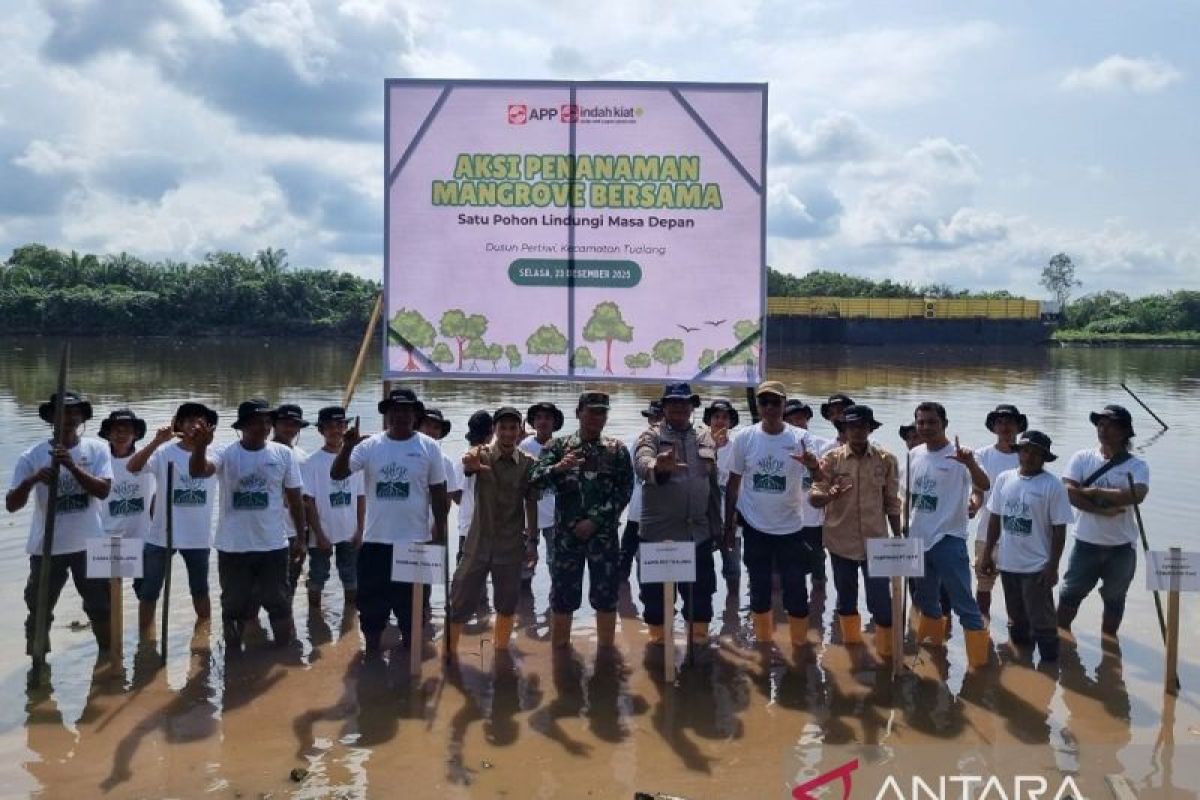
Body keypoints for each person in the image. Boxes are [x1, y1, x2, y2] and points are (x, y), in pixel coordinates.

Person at [331, 388, 449, 655]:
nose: (401, 415)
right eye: (395, 410)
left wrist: (439, 535)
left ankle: (409, 671)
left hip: (416, 543)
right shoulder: (369, 446)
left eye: (407, 410)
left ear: (415, 415)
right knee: (372, 613)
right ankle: (372, 664)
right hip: (376, 544)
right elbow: (337, 474)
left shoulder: (429, 447)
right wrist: (348, 445)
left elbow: (439, 495)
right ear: (387, 415)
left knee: (413, 615)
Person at [188, 398, 307, 650]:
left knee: (280, 604)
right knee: (233, 607)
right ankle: (233, 659)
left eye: (267, 421)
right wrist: (199, 448)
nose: (263, 427)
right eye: (255, 422)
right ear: (242, 426)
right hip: (233, 548)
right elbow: (199, 472)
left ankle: (283, 657)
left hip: (274, 545)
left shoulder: (284, 454)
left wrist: (301, 539)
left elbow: (296, 501)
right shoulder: (224, 452)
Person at [7, 391, 113, 656]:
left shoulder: (97, 449)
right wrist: (32, 480)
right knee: (39, 608)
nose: (68, 417)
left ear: (81, 418)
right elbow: (11, 505)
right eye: (62, 412)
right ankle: (38, 666)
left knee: (101, 606)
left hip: (91, 544)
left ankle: (106, 660)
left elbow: (103, 491)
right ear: (52, 418)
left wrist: (73, 466)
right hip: (47, 548)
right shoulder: (31, 455)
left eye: (74, 412)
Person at [530, 392, 634, 649]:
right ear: (578, 413)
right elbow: (533, 483)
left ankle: (606, 655)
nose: (596, 417)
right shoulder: (557, 447)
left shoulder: (617, 450)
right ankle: (560, 655)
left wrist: (596, 520)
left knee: (606, 596)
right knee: (563, 598)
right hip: (566, 538)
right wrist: (558, 469)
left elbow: (625, 491)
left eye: (602, 412)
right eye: (591, 411)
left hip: (604, 537)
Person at [723, 381, 823, 648]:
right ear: (758, 405)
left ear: (784, 404)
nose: (769, 407)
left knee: (797, 593)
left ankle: (800, 649)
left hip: (791, 529)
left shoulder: (799, 437)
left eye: (775, 402)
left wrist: (813, 466)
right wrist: (728, 525)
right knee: (759, 592)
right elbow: (733, 483)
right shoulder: (745, 437)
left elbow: (820, 478)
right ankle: (764, 647)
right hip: (755, 528)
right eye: (764, 402)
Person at [809, 405, 901, 654]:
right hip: (841, 542)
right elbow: (814, 498)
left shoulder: (887, 460)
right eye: (852, 426)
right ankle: (850, 652)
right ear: (845, 430)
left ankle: (887, 654)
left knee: (881, 602)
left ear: (870, 428)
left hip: (877, 543)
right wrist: (829, 495)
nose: (857, 431)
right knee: (846, 600)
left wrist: (899, 537)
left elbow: (892, 502)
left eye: (862, 426)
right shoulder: (831, 460)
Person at [447, 407, 538, 657]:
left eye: (512, 428)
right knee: (459, 598)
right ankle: (449, 655)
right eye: (502, 428)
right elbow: (468, 463)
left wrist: (532, 541)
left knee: (507, 604)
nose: (508, 433)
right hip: (477, 543)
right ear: (494, 431)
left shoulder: (529, 464)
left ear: (520, 431)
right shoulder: (481, 456)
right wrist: (470, 461)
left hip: (510, 545)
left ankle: (500, 654)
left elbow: (531, 503)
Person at [634, 384, 721, 646]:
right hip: (659, 537)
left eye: (685, 403)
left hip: (698, 535)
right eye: (673, 403)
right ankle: (659, 651)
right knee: (655, 604)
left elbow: (712, 486)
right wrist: (658, 466)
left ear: (692, 406)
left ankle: (699, 654)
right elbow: (642, 464)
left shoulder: (705, 436)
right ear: (664, 407)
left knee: (701, 600)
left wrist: (718, 528)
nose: (680, 408)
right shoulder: (650, 436)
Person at [907, 401, 991, 668]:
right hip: (918, 539)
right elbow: (908, 495)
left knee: (964, 602)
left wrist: (970, 465)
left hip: (948, 539)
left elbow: (984, 485)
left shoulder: (961, 456)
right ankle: (934, 655)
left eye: (932, 422)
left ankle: (978, 665)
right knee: (925, 598)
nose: (926, 427)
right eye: (921, 422)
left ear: (944, 423)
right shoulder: (914, 453)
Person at [1056, 405, 1150, 638]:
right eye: (1100, 424)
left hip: (1122, 547)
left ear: (1125, 432)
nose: (1103, 429)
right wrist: (1101, 510)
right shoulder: (1083, 457)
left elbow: (1136, 495)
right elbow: (1068, 490)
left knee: (1115, 600)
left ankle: (1109, 644)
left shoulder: (1137, 465)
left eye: (1111, 425)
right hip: (1086, 542)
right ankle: (1061, 644)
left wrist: (1094, 490)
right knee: (1069, 595)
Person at [979, 431, 1073, 661]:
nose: (1029, 456)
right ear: (1018, 452)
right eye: (1025, 450)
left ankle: (1051, 667)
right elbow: (995, 518)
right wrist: (989, 553)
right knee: (1016, 619)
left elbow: (1060, 531)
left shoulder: (1052, 486)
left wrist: (1053, 566)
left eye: (1035, 453)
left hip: (1037, 567)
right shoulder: (1004, 478)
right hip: (1009, 563)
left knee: (1043, 623)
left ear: (1044, 457)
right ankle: (1023, 665)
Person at [128, 402, 219, 634]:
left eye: (200, 421)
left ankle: (203, 637)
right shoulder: (164, 452)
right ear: (178, 424)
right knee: (149, 592)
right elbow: (132, 467)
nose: (194, 425)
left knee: (200, 590)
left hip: (197, 537)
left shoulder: (215, 453)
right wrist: (158, 441)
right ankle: (146, 640)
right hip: (161, 535)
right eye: (188, 420)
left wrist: (203, 445)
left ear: (208, 426)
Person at [300, 406, 363, 608]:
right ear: (321, 430)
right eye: (330, 426)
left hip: (350, 531)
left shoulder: (356, 460)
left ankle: (350, 624)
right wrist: (318, 534)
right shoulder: (311, 463)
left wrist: (361, 530)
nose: (336, 430)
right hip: (322, 533)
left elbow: (361, 497)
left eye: (341, 425)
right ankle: (314, 616)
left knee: (351, 577)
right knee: (317, 577)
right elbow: (307, 502)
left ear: (346, 427)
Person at [970, 404, 1026, 620]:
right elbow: (977, 491)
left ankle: (1017, 633)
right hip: (987, 533)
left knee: (1018, 592)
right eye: (999, 422)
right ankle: (982, 629)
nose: (1004, 426)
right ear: (993, 427)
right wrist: (973, 505)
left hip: (1019, 536)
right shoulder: (981, 455)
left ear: (1019, 426)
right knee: (984, 588)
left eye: (1010, 421)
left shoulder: (1027, 455)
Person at [519, 401, 564, 585]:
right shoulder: (524, 446)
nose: (543, 421)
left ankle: (556, 608)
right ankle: (524, 610)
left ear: (555, 422)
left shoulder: (562, 447)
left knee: (556, 565)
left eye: (547, 417)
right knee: (525, 568)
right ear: (533, 422)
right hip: (528, 518)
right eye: (538, 417)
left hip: (554, 516)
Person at [788, 397, 830, 592]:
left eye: (801, 418)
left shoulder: (823, 445)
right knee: (784, 573)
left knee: (818, 572)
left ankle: (817, 614)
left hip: (814, 521)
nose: (797, 423)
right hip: (786, 521)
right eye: (791, 419)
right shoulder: (777, 446)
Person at [271, 403, 313, 598]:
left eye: (294, 424)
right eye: (284, 424)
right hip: (267, 532)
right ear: (274, 425)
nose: (289, 429)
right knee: (257, 589)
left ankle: (284, 625)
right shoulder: (262, 452)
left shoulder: (303, 457)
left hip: (295, 532)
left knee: (289, 585)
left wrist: (305, 535)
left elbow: (308, 497)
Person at [619, 400, 662, 580]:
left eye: (658, 417)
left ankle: (657, 603)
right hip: (636, 511)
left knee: (651, 562)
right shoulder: (639, 440)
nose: (654, 421)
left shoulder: (674, 442)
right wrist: (618, 511)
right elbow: (626, 477)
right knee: (624, 558)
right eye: (652, 418)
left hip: (658, 516)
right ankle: (623, 602)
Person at [99, 409, 155, 541]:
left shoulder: (150, 458)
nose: (121, 434)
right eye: (116, 430)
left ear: (136, 434)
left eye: (127, 430)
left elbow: (156, 497)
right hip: (106, 536)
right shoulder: (98, 459)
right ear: (108, 434)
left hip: (142, 537)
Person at [704, 399, 741, 580]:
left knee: (733, 571)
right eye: (716, 417)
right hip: (704, 520)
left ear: (731, 422)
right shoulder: (699, 445)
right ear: (709, 420)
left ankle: (733, 604)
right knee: (702, 575)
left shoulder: (738, 448)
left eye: (725, 417)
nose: (720, 421)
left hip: (731, 519)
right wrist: (714, 448)